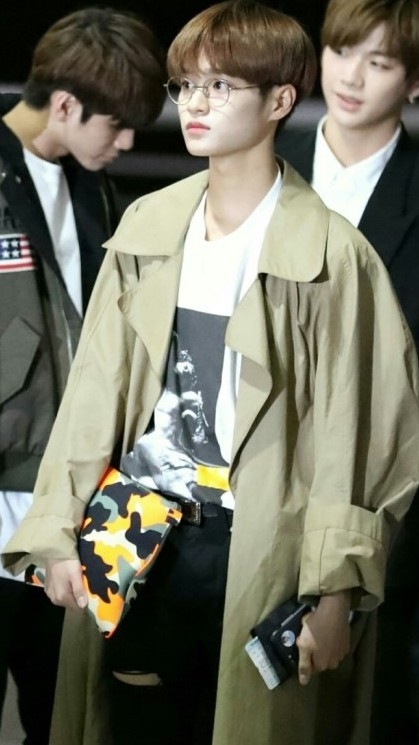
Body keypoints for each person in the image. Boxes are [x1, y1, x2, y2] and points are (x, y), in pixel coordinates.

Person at [3, 1, 419, 744]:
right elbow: (94, 391)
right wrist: (58, 525)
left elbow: (359, 432)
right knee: (126, 723)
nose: (194, 103)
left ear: (279, 101)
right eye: (186, 85)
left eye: (221, 86)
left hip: (261, 543)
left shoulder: (334, 255)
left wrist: (334, 589)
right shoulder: (148, 227)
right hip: (136, 535)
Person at [0, 7, 165, 744]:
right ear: (65, 105)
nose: (127, 142)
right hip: (8, 484)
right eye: (117, 124)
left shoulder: (91, 187)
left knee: (61, 714)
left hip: (64, 507)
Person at [275, 0, 419, 740]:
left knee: (376, 699)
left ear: (413, 81)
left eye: (380, 61)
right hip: (258, 473)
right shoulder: (263, 167)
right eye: (339, 52)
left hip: (390, 485)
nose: (351, 77)